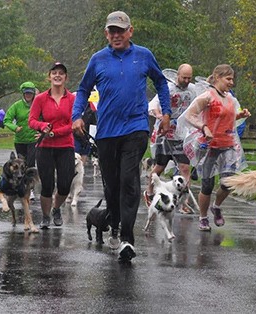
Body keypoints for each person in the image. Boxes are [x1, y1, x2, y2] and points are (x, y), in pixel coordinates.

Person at [72, 11, 171, 263]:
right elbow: (83, 89)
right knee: (112, 184)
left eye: (121, 30)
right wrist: (77, 116)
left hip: (136, 127)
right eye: (111, 31)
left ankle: (127, 239)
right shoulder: (98, 59)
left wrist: (167, 111)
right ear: (106, 33)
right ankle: (113, 223)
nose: (116, 35)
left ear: (130, 31)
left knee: (129, 180)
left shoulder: (143, 56)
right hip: (106, 131)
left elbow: (161, 82)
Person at [179, 64, 251, 231]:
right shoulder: (207, 96)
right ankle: (203, 218)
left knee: (228, 182)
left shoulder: (230, 99)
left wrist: (240, 115)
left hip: (228, 145)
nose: (231, 82)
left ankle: (216, 206)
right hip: (208, 146)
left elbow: (228, 119)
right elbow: (189, 115)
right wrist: (203, 127)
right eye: (228, 79)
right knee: (207, 185)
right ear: (217, 77)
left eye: (233, 79)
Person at [28, 62, 75, 229]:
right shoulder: (40, 98)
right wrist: (42, 127)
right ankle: (46, 216)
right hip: (45, 146)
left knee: (65, 185)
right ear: (49, 76)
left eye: (61, 73)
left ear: (65, 78)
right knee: (47, 185)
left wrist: (55, 132)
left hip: (65, 146)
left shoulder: (72, 99)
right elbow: (31, 120)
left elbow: (73, 123)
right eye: (54, 72)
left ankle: (56, 209)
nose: (57, 75)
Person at [145, 63, 197, 214]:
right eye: (184, 77)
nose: (186, 80)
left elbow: (197, 107)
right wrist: (161, 116)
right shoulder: (167, 88)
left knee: (185, 168)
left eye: (189, 78)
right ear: (177, 76)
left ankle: (183, 202)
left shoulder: (193, 90)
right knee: (159, 167)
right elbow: (153, 106)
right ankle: (149, 191)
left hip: (181, 135)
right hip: (165, 134)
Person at [4, 81, 39, 168]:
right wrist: (15, 128)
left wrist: (42, 132)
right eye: (26, 93)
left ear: (34, 94)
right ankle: (21, 180)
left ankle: (30, 181)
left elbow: (46, 119)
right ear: (23, 93)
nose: (28, 95)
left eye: (30, 93)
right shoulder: (16, 106)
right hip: (20, 140)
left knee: (31, 164)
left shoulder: (38, 104)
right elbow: (7, 120)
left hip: (33, 140)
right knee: (21, 164)